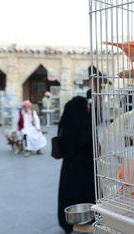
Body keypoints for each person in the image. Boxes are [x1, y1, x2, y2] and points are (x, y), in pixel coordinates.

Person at [57, 96, 95, 233]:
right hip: (85, 166)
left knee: (69, 193)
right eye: (86, 105)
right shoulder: (85, 124)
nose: (88, 108)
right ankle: (90, 217)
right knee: (87, 190)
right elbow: (91, 145)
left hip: (69, 166)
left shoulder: (67, 123)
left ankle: (68, 221)